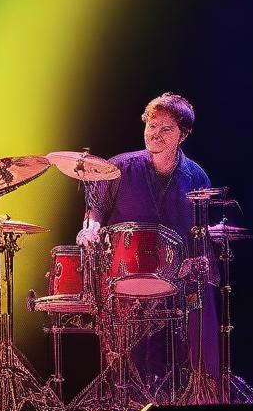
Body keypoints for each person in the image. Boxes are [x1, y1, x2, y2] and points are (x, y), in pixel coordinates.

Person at [77, 92, 219, 385]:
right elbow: (96, 210)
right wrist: (90, 228)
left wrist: (196, 263)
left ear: (183, 134)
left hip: (177, 281)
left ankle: (202, 388)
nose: (155, 134)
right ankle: (121, 393)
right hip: (123, 277)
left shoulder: (197, 177)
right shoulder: (118, 168)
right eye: (151, 126)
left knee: (205, 293)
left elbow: (200, 235)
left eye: (166, 128)